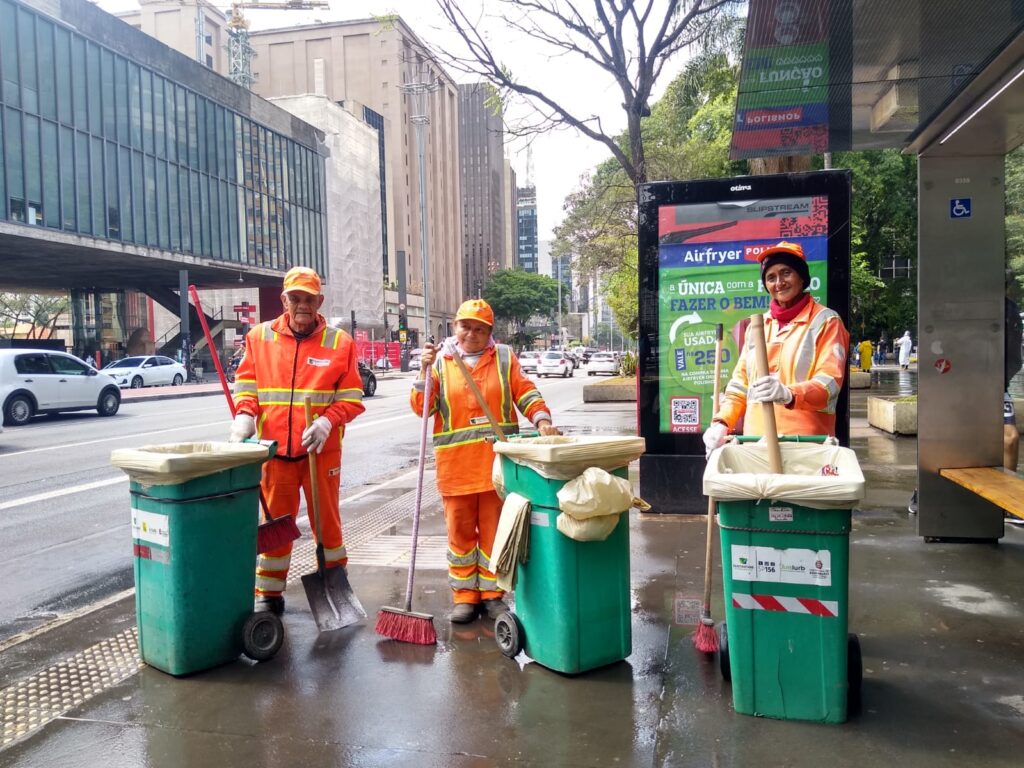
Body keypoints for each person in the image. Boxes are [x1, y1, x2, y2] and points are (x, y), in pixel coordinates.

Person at [411, 299, 560, 624]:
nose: (472, 334)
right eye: (466, 327)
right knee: (460, 534)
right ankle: (464, 596)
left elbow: (526, 392)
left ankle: (493, 595)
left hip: (497, 468)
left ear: (490, 332)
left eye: (480, 329)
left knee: (495, 533)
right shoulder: (439, 363)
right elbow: (423, 407)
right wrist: (423, 371)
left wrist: (542, 420)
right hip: (456, 469)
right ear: (455, 326)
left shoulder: (504, 358)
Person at [229, 267, 366, 615]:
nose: (302, 304)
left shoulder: (339, 343)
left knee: (327, 525)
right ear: (284, 300)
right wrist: (245, 414)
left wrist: (327, 421)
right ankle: (269, 593)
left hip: (321, 453)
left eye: (309, 298)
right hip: (276, 454)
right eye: (295, 298)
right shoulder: (259, 338)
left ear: (320, 302)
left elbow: (352, 397)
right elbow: (247, 385)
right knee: (274, 524)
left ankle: (334, 583)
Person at [702, 240, 850, 452]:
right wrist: (722, 422)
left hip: (808, 446)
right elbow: (740, 385)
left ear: (802, 277)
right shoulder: (757, 326)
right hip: (756, 444)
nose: (779, 282)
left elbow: (829, 383)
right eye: (771, 277)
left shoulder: (826, 321)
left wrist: (790, 394)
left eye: (786, 273)